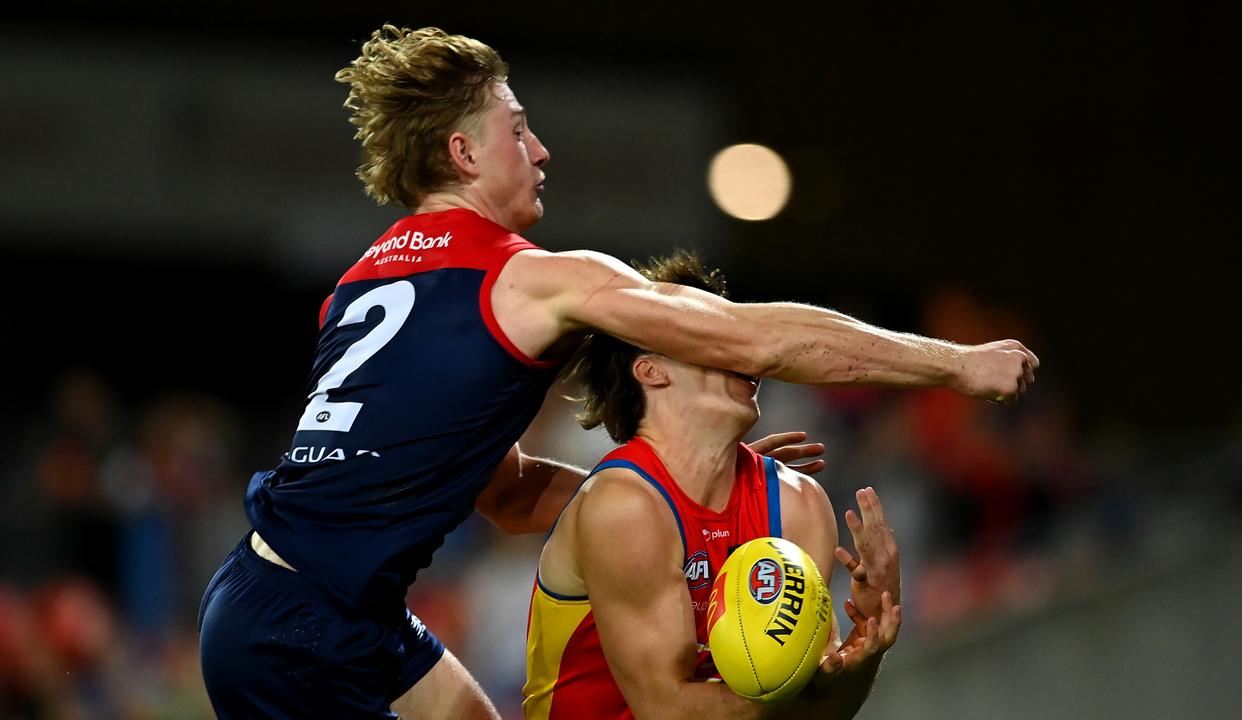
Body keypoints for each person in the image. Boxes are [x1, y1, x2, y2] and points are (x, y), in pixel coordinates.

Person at [197, 24, 1037, 719]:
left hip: (302, 604)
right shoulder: (525, 278)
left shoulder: (360, 286)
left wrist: (674, 500)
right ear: (463, 152)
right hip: (302, 625)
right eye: (517, 130)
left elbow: (506, 494)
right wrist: (955, 365)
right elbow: (751, 340)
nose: (541, 148)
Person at [525, 253, 901, 719]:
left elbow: (816, 714)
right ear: (650, 370)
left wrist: (865, 647)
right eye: (713, 336)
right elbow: (666, 709)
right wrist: (792, 689)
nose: (745, 351)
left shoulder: (797, 502)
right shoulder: (623, 505)